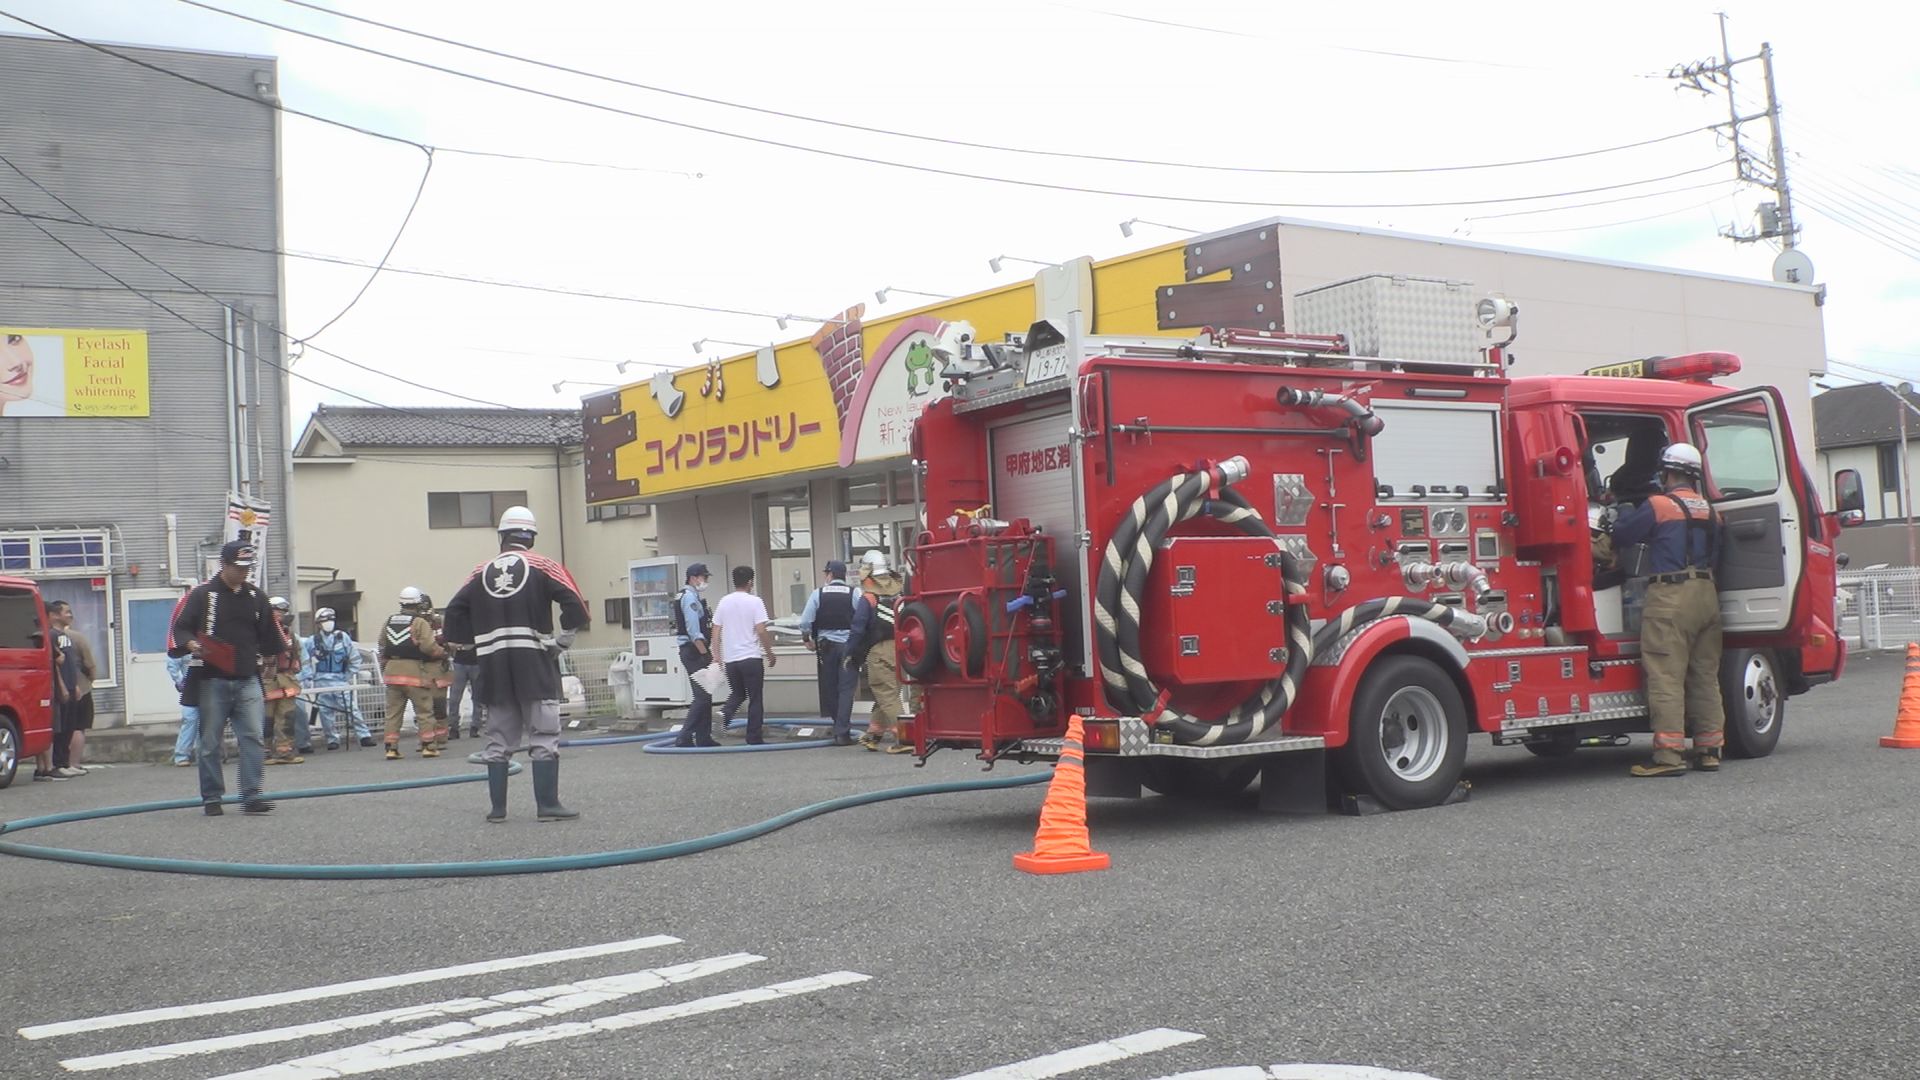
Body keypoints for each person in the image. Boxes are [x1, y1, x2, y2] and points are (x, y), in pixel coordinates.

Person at [444, 506, 590, 823]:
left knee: (497, 737)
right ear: (531, 537)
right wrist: (563, 639)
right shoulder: (543, 565)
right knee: (543, 732)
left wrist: (474, 642)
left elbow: (454, 611)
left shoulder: (479, 571)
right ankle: (547, 805)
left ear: (502, 536)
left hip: (493, 664)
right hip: (534, 659)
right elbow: (574, 602)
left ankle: (497, 810)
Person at [1610, 442, 1726, 777]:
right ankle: (1709, 750)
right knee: (1705, 675)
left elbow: (1624, 535)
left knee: (1666, 675)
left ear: (1668, 472)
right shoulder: (1711, 510)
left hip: (1672, 595)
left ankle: (1669, 756)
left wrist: (1625, 512)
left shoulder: (1658, 505)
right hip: (1707, 593)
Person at [170, 539, 282, 815]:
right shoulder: (203, 595)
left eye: (248, 567)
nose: (244, 573)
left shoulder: (257, 597)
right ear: (224, 564)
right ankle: (212, 797)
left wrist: (272, 659)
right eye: (239, 567)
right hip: (211, 678)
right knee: (209, 741)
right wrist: (192, 645)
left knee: (253, 737)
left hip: (247, 678)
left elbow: (270, 636)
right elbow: (180, 628)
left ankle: (252, 795)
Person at [850, 550, 912, 753]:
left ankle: (906, 738)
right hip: (902, 650)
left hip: (879, 651)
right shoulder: (900, 595)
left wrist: (850, 653)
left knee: (886, 694)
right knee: (887, 693)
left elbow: (858, 628)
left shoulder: (868, 598)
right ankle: (874, 734)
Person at [712, 564, 776, 745]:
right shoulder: (755, 602)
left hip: (731, 659)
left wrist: (717, 656)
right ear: (750, 582)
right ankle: (754, 737)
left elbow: (715, 631)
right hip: (751, 658)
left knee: (738, 694)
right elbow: (761, 630)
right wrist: (770, 653)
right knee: (755, 697)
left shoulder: (724, 601)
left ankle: (724, 715)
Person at [378, 586, 446, 759]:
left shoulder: (389, 621)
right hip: (414, 672)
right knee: (424, 710)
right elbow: (428, 646)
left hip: (392, 673)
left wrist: (385, 665)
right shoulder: (419, 622)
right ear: (417, 604)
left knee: (393, 713)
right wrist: (442, 653)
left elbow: (382, 645)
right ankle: (428, 746)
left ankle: (391, 748)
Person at [798, 559, 858, 745]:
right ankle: (843, 732)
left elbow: (806, 621)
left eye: (826, 574)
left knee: (830, 688)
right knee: (846, 689)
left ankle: (837, 726)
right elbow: (862, 618)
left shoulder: (819, 593)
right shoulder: (854, 593)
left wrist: (807, 640)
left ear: (830, 575)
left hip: (827, 648)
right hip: (849, 648)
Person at [307, 607, 371, 749]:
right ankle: (332, 739)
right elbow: (305, 662)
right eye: (324, 620)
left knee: (352, 708)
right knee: (325, 712)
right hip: (321, 681)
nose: (328, 623)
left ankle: (364, 735)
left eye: (331, 620)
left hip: (340, 680)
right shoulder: (312, 641)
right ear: (318, 624)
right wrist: (309, 679)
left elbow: (355, 659)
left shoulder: (342, 638)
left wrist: (346, 676)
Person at [671, 562, 719, 748]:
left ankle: (703, 737)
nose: (706, 581)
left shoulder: (689, 595)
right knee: (702, 696)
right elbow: (693, 631)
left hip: (693, 651)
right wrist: (705, 654)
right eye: (704, 577)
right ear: (693, 577)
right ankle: (684, 736)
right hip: (693, 651)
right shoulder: (689, 598)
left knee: (706, 694)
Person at [49, 600, 97, 775]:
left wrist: (75, 685)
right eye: (66, 612)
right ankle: (64, 764)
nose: (70, 615)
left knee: (70, 726)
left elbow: (69, 663)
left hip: (73, 685)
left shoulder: (68, 637)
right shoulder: (55, 636)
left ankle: (66, 764)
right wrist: (89, 680)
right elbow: (88, 663)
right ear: (54, 615)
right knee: (71, 727)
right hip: (65, 687)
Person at [262, 597, 307, 766]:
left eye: (283, 611)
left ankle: (284, 751)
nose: (280, 614)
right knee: (266, 718)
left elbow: (297, 654)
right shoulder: (262, 632)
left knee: (287, 717)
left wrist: (296, 668)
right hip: (268, 680)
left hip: (287, 680)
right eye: (277, 610)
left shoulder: (289, 634)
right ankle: (264, 753)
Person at [423, 595, 455, 743]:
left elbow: (445, 641)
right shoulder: (415, 623)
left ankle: (441, 736)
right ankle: (428, 737)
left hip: (439, 667)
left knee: (439, 704)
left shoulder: (438, 621)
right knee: (424, 706)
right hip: (422, 668)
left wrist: (444, 652)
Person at [446, 639, 484, 740]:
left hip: (476, 662)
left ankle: (475, 727)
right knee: (454, 698)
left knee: (478, 697)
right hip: (459, 662)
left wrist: (461, 646)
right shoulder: (456, 624)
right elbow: (449, 642)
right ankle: (453, 728)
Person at [166, 651, 199, 766]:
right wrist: (180, 681)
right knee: (190, 719)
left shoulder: (210, 637)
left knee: (206, 721)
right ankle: (181, 756)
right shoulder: (183, 641)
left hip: (209, 686)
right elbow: (172, 662)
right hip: (190, 688)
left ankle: (203, 756)